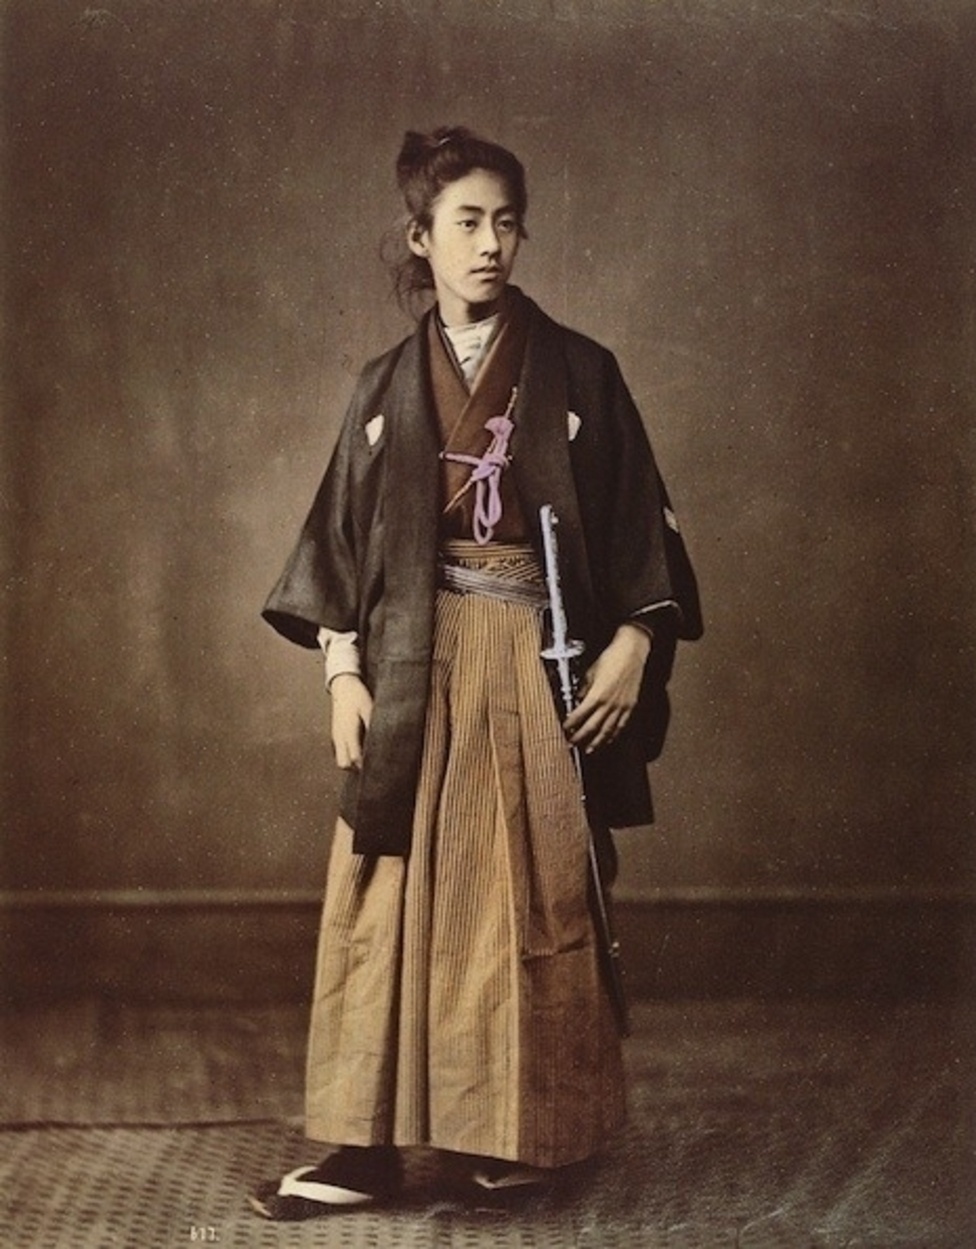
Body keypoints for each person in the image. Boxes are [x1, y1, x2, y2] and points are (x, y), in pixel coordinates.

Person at [252, 126, 701, 1220]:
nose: (491, 242)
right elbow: (338, 545)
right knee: (388, 892)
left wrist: (635, 643)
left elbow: (642, 529)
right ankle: (362, 1148)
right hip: (411, 659)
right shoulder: (383, 387)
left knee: (525, 894)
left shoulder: (582, 371)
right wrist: (343, 673)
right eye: (466, 222)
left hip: (534, 658)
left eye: (506, 221)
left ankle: (516, 1139)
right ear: (422, 237)